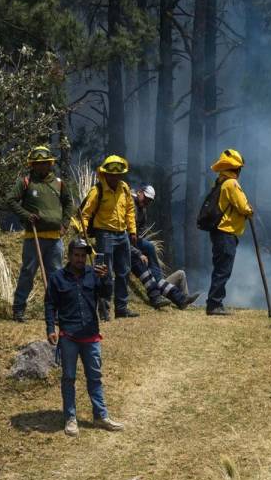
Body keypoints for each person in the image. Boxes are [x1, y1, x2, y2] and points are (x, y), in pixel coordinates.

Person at [45, 238, 124, 437]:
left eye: (83, 255)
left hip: (91, 336)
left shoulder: (94, 274)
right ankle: (70, 418)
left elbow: (106, 295)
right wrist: (50, 328)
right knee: (69, 378)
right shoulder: (57, 278)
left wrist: (106, 278)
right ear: (70, 256)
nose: (80, 259)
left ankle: (101, 416)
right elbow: (49, 305)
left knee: (95, 378)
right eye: (77, 255)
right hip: (68, 336)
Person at [6, 145, 73, 322]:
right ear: (32, 165)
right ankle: (19, 310)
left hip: (54, 238)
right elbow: (11, 200)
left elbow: (68, 203)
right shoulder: (26, 182)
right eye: (38, 163)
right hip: (33, 236)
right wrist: (27, 216)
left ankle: (56, 313)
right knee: (28, 272)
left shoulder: (59, 184)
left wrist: (65, 224)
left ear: (50, 164)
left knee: (56, 275)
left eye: (45, 163)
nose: (42, 166)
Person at [80, 155, 137, 320]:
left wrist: (132, 231)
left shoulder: (124, 188)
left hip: (122, 235)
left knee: (124, 272)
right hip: (104, 235)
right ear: (105, 174)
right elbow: (85, 213)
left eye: (118, 174)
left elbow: (130, 211)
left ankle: (122, 308)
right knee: (104, 273)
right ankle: (104, 310)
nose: (115, 177)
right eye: (111, 174)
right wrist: (81, 234)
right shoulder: (96, 190)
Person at [206, 149, 253, 316]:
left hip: (219, 232)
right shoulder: (231, 184)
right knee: (223, 269)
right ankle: (214, 304)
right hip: (226, 232)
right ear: (236, 169)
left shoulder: (220, 182)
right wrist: (249, 210)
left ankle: (214, 302)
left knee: (220, 267)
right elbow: (242, 205)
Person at [129, 245, 200, 310]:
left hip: (161, 283)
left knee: (181, 273)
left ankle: (184, 300)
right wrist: (139, 254)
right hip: (158, 284)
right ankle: (184, 302)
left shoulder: (150, 252)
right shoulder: (143, 254)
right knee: (160, 282)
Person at [133, 185, 161, 283]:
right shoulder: (130, 203)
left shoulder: (143, 210)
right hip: (125, 238)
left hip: (135, 240)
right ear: (140, 192)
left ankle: (158, 279)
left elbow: (141, 230)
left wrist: (139, 239)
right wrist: (138, 252)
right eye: (146, 198)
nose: (146, 202)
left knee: (150, 247)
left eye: (149, 200)